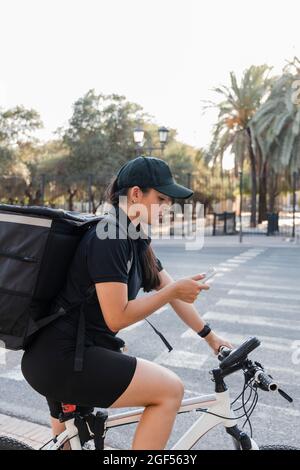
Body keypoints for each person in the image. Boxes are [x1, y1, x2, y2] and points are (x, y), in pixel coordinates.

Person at [21, 155, 232, 450]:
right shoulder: (110, 238)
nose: (167, 206)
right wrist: (171, 293)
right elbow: (117, 318)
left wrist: (210, 337)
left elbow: (169, 286)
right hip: (64, 358)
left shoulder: (133, 237)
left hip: (67, 354)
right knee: (170, 390)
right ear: (136, 193)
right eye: (161, 198)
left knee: (72, 445)